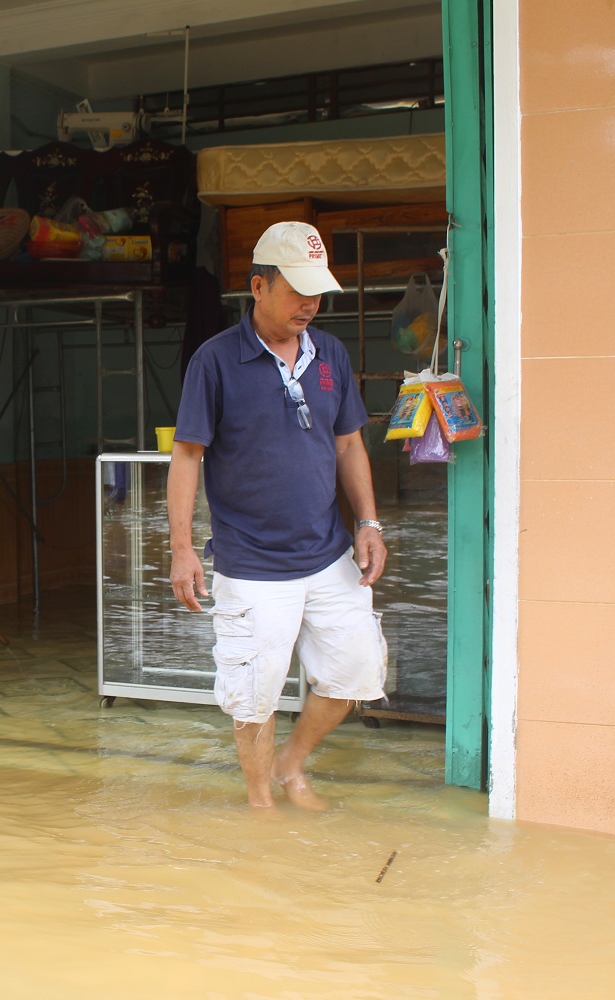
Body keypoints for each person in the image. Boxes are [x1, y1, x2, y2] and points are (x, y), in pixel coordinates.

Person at [168, 221, 388, 811]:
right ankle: (261, 806)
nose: (310, 303)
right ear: (258, 286)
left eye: (318, 291)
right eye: (297, 289)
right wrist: (183, 547)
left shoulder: (330, 354)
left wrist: (369, 523)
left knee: (356, 674)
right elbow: (187, 455)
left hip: (327, 553)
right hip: (251, 565)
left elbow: (348, 444)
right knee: (253, 696)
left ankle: (291, 763)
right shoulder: (214, 362)